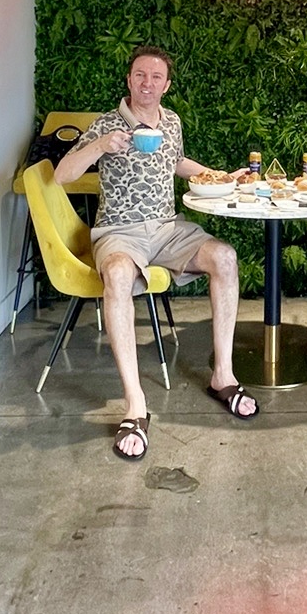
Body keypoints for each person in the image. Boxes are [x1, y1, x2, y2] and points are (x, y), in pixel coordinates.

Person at [51, 47, 256, 459]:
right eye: (140, 75)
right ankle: (135, 403)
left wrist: (218, 175)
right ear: (129, 80)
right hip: (119, 232)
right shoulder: (106, 125)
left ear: (167, 85)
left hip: (167, 229)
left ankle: (223, 376)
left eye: (156, 77)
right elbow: (61, 175)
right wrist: (100, 146)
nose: (147, 83)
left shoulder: (172, 122)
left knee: (224, 257)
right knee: (118, 275)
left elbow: (175, 162)